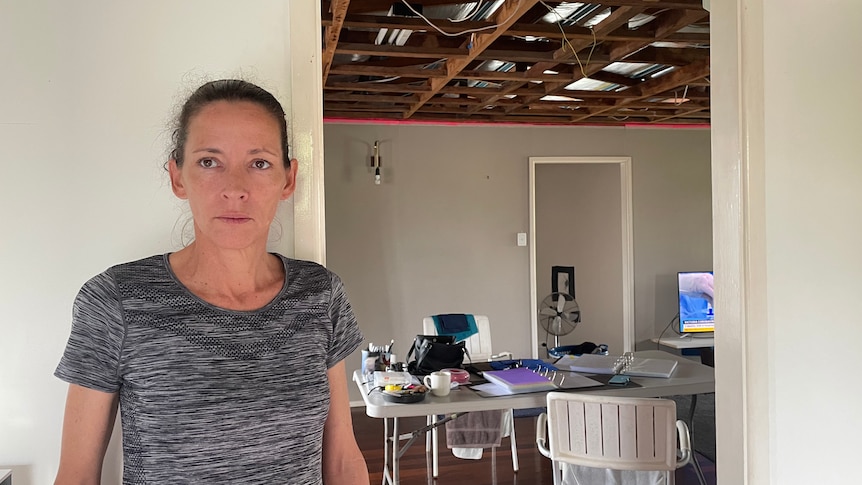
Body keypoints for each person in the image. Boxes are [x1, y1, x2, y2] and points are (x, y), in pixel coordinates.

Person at [53, 79, 370, 484]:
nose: (235, 189)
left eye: (259, 163)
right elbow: (76, 475)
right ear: (177, 177)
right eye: (209, 162)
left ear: (288, 179)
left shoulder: (320, 294)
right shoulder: (116, 301)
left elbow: (342, 459)